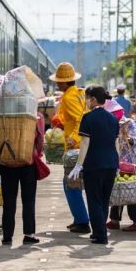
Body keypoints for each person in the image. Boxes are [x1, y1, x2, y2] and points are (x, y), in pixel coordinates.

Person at [67, 86, 120, 245]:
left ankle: (100, 235)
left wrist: (78, 165)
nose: (86, 101)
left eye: (87, 98)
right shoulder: (113, 119)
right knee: (104, 200)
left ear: (93, 100)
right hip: (111, 164)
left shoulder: (88, 118)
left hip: (94, 165)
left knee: (94, 200)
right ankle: (99, 231)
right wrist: (117, 164)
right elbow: (116, 143)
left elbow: (85, 142)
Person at [49, 62, 90, 234]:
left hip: (77, 147)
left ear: (65, 82)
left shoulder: (68, 96)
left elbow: (80, 119)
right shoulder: (79, 93)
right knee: (72, 184)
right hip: (83, 145)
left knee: (70, 184)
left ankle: (82, 221)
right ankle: (79, 219)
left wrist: (73, 138)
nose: (57, 84)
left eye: (59, 81)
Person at [0, 113, 44, 245]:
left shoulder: (3, 116)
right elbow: (40, 139)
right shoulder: (37, 116)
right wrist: (37, 153)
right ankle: (29, 234)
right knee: (29, 200)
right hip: (28, 163)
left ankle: (7, 236)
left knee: (8, 201)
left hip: (7, 163)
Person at [107, 100, 136, 232]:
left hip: (131, 162)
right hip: (118, 161)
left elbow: (135, 139)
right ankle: (114, 220)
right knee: (118, 190)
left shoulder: (129, 123)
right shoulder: (111, 124)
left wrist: (127, 138)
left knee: (131, 190)